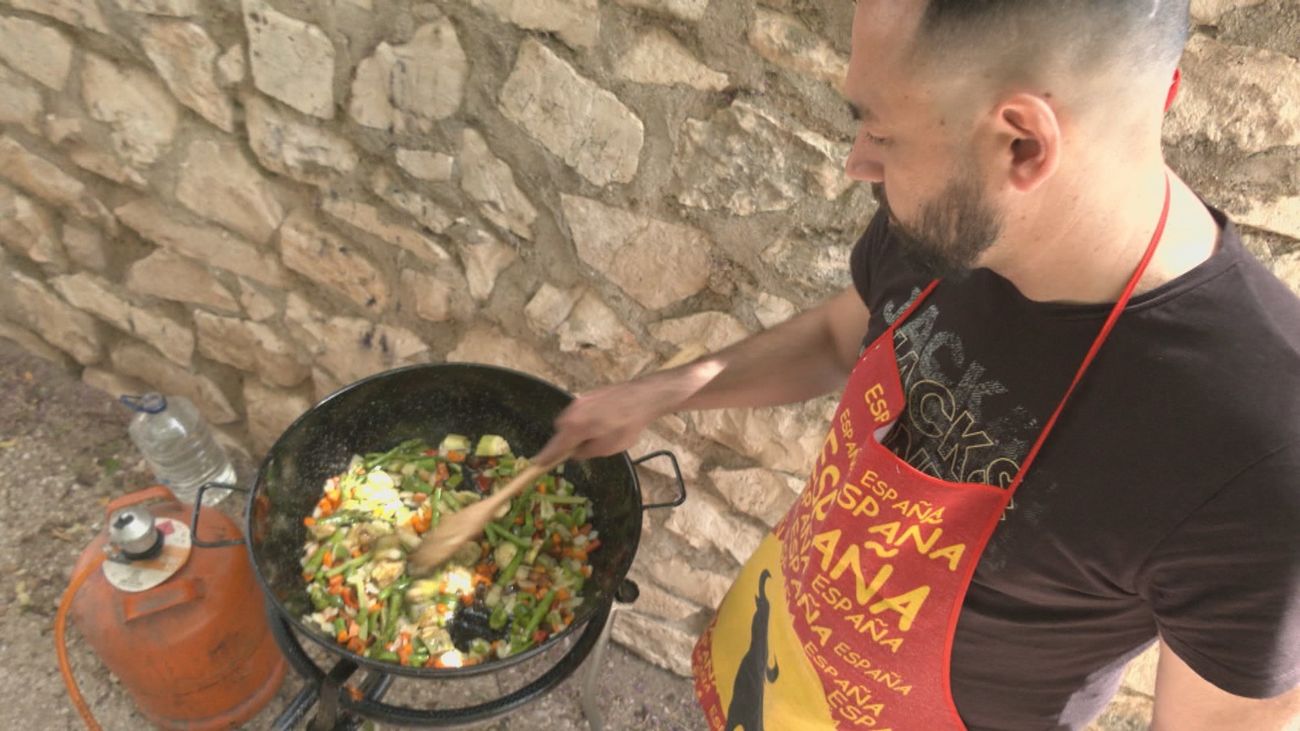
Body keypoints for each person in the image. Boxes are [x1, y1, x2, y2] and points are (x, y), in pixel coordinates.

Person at [537, 1, 1300, 728]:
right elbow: (846, 336)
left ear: (1022, 144)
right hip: (780, 652)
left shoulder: (1260, 454)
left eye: (878, 131)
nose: (855, 163)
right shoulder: (957, 213)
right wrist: (664, 392)